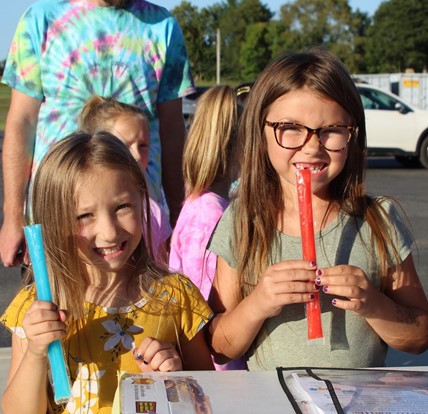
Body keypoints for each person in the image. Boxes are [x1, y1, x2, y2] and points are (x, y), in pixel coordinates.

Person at [206, 47, 428, 371]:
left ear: (352, 134)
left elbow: (420, 336)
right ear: (261, 132)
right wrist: (258, 304)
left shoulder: (378, 221)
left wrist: (374, 304)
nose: (312, 146)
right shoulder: (243, 221)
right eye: (290, 127)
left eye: (331, 130)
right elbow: (220, 347)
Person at [1, 131, 214, 414]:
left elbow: (208, 397)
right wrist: (36, 353)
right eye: (84, 216)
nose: (110, 231)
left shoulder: (175, 297)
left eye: (122, 207)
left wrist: (176, 381)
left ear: (142, 200)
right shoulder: (35, 309)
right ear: (54, 222)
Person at [0, 0, 193, 268]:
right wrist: (12, 217)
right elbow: (22, 122)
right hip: (56, 222)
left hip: (138, 229)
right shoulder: (40, 19)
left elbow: (172, 131)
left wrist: (179, 217)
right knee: (52, 310)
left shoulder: (162, 26)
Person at [168, 85, 246, 371]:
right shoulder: (212, 215)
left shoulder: (201, 203)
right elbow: (207, 307)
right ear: (239, 147)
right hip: (219, 372)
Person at [80, 95, 172, 262]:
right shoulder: (79, 203)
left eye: (143, 145)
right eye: (125, 145)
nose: (137, 155)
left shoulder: (153, 206)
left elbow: (162, 262)